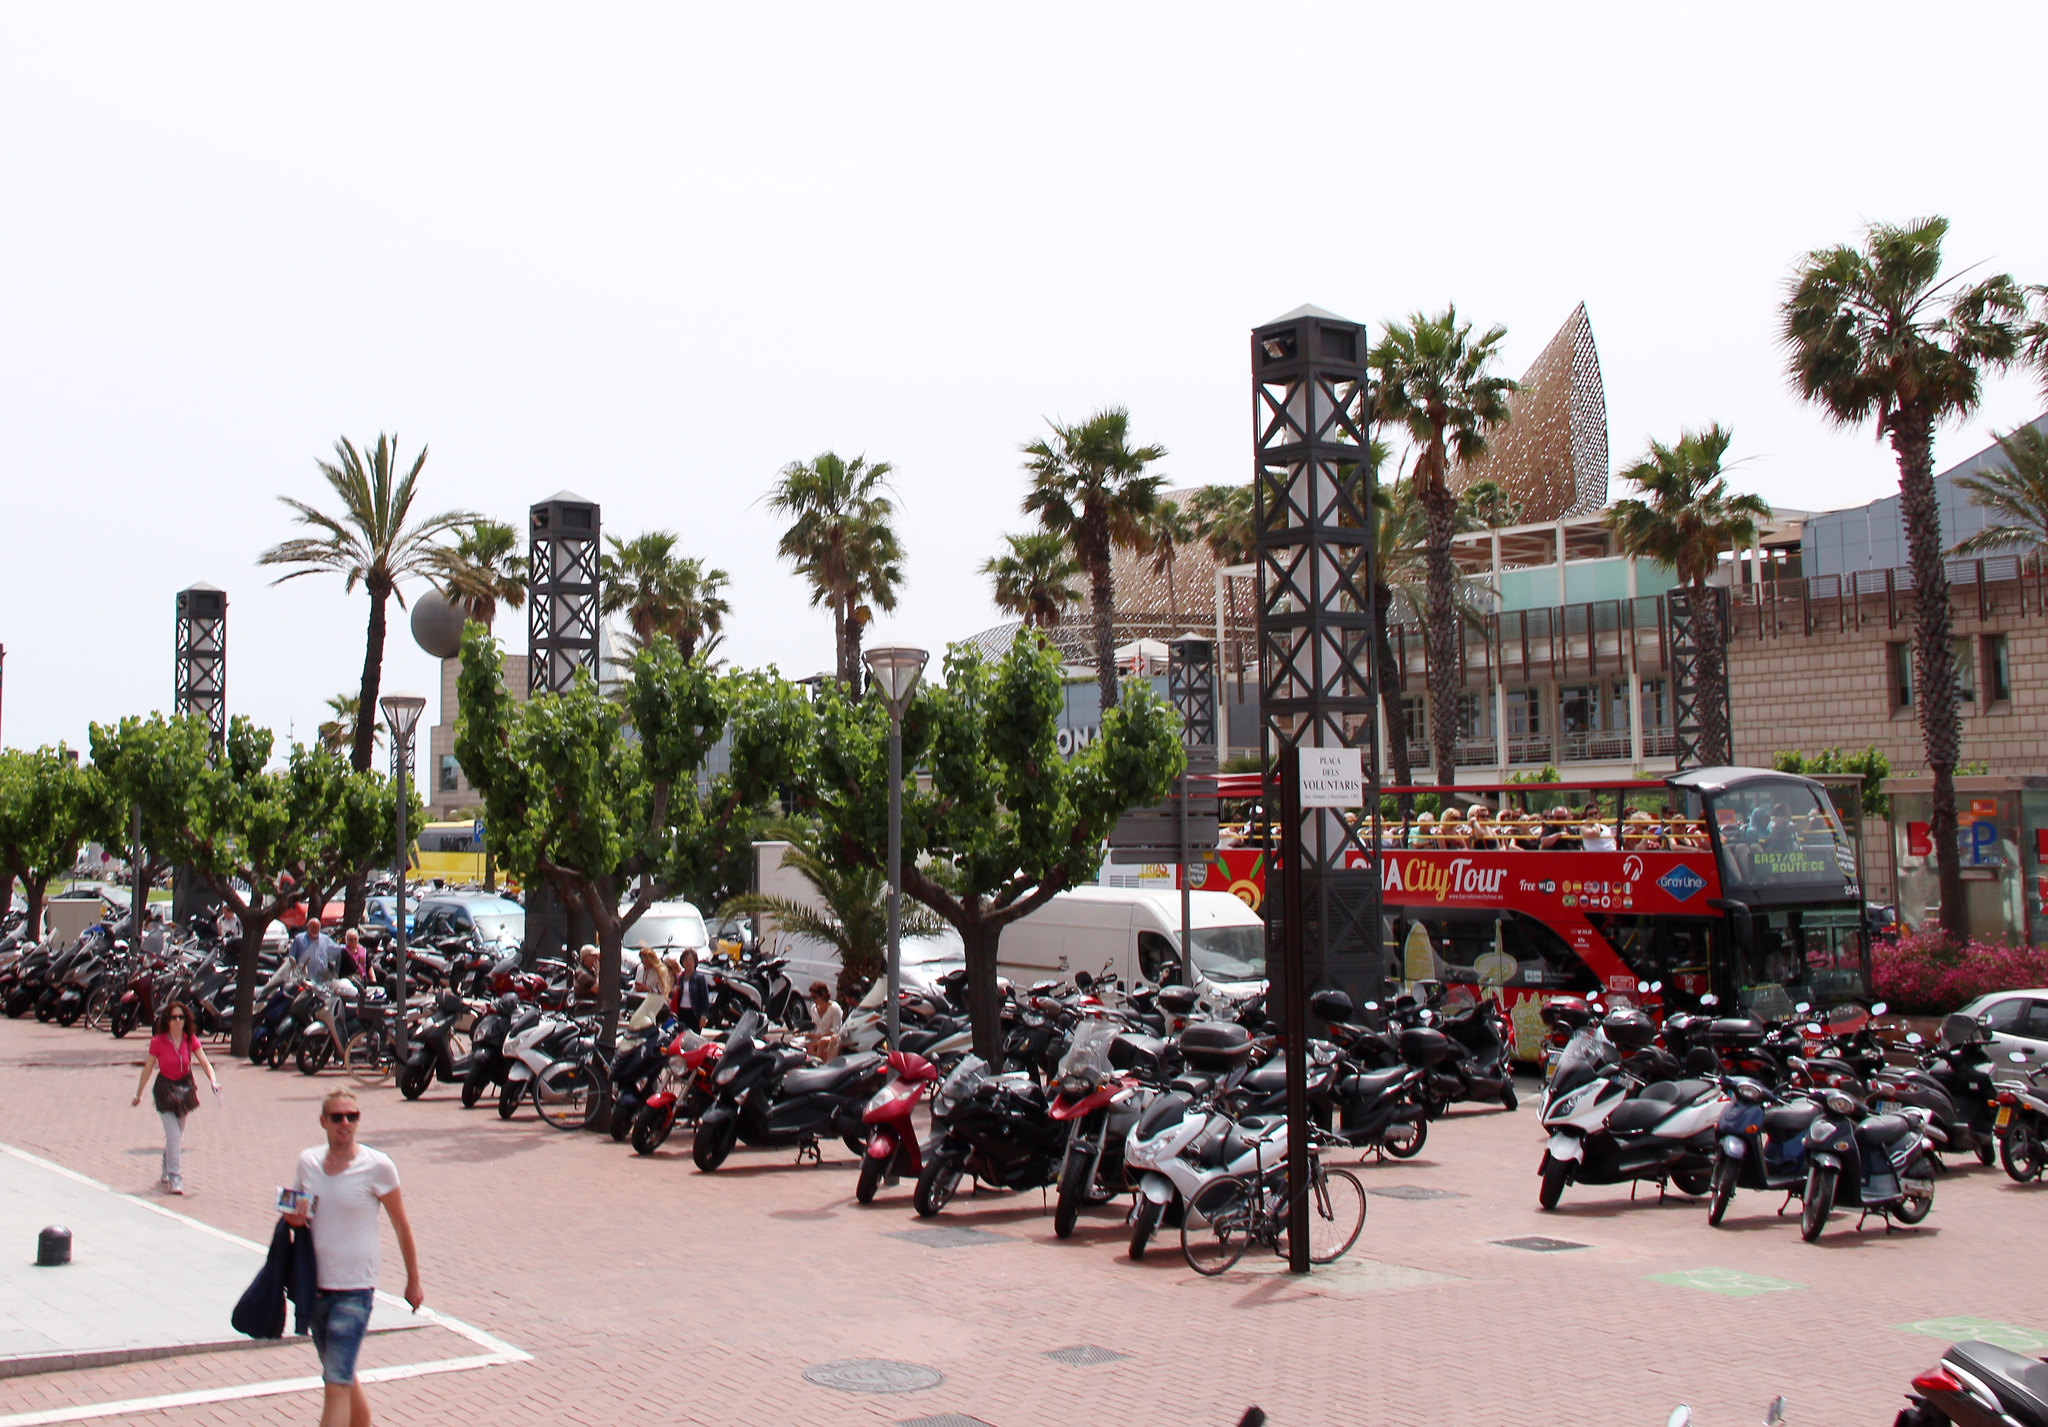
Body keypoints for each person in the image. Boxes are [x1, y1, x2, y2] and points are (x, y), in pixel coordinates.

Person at [286, 1090, 422, 1427]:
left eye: (352, 1116)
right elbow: (294, 1215)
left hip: (355, 1290)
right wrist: (294, 1217)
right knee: (341, 1374)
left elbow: (402, 1226)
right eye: (337, 1117)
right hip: (315, 1288)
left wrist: (413, 1281)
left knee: (335, 1383)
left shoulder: (378, 1166)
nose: (345, 1123)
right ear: (324, 1122)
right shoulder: (308, 1163)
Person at [130, 1001, 217, 1195]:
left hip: (185, 1088)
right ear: (166, 1020)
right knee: (174, 1135)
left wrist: (213, 1081)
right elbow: (148, 1068)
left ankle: (166, 1163)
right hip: (165, 1089)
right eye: (173, 1017)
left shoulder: (190, 1039)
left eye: (181, 1017)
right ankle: (175, 1177)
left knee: (177, 1134)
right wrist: (138, 1094)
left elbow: (204, 1062)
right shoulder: (158, 1041)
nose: (177, 1021)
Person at [672, 948, 712, 1031]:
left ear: (695, 962)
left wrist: (703, 1016)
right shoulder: (679, 977)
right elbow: (671, 994)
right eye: (686, 960)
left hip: (694, 1014)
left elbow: (705, 998)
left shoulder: (699, 978)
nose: (688, 962)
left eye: (690, 960)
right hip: (681, 1013)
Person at [292, 916, 340, 983]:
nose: (316, 930)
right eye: (313, 927)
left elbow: (337, 948)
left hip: (321, 978)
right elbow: (292, 957)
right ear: (307, 927)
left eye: (318, 928)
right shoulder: (299, 939)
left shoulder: (325, 939)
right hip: (304, 978)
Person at [805, 981, 843, 1061]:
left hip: (831, 1038)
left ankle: (817, 1063)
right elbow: (814, 1026)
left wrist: (821, 1035)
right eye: (811, 997)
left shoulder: (835, 1008)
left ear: (823, 995)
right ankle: (816, 1062)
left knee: (812, 1046)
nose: (813, 1000)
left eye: (815, 997)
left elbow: (836, 1029)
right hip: (818, 1037)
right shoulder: (814, 1009)